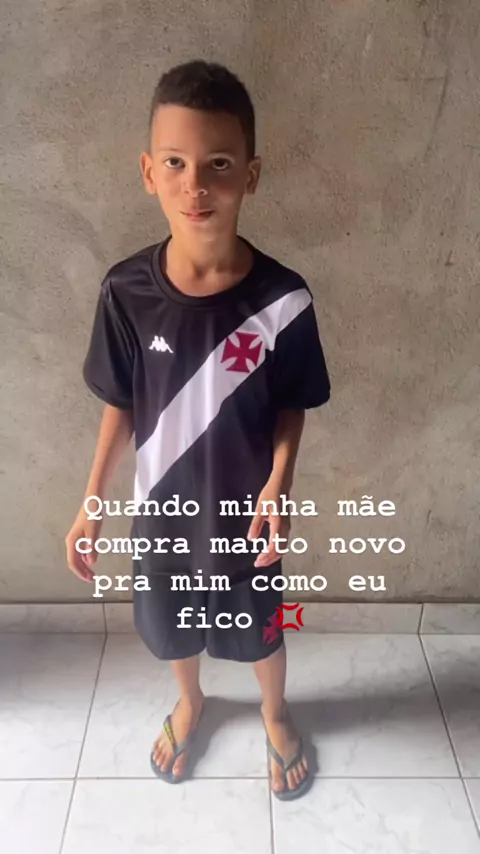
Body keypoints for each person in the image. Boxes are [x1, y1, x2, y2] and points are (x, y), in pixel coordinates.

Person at [65, 59, 331, 801]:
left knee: (261, 628)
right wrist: (92, 501)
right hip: (163, 516)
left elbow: (294, 402)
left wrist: (279, 484)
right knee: (172, 625)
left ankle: (275, 713)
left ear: (251, 174)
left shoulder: (284, 300)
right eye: (176, 163)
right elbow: (120, 401)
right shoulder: (125, 292)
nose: (196, 185)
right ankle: (191, 701)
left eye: (217, 164)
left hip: (247, 517)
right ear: (149, 173)